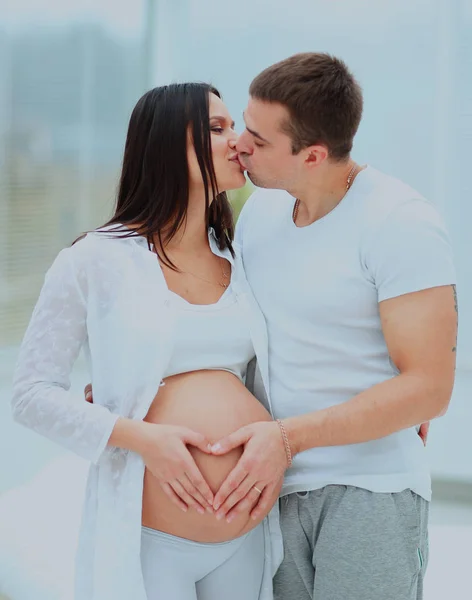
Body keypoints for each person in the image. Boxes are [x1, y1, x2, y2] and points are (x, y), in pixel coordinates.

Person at [10, 83, 285, 600]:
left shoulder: (242, 258)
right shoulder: (95, 259)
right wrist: (142, 437)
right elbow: (30, 395)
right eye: (217, 127)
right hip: (151, 538)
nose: (238, 142)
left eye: (235, 127)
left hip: (245, 534)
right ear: (163, 143)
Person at [204, 53, 458, 600]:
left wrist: (289, 438)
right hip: (273, 491)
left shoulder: (399, 222)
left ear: (313, 155)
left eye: (260, 139)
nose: (241, 143)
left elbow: (430, 387)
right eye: (245, 123)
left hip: (370, 491)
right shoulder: (260, 216)